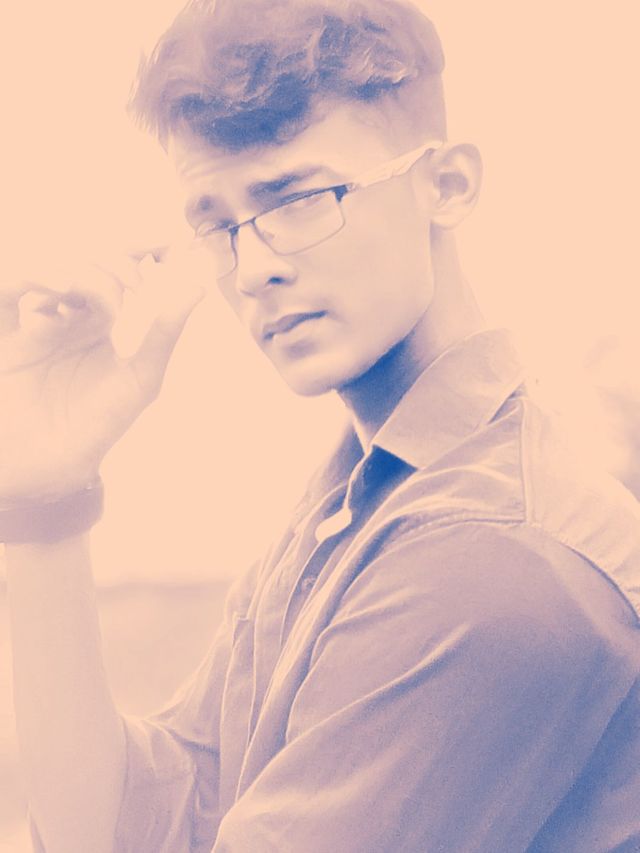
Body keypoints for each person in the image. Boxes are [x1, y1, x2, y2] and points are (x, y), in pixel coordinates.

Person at [2, 0, 639, 850]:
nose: (254, 267)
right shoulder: (361, 497)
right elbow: (125, 828)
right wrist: (43, 497)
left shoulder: (493, 551)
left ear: (446, 185)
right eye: (217, 224)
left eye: (300, 198)